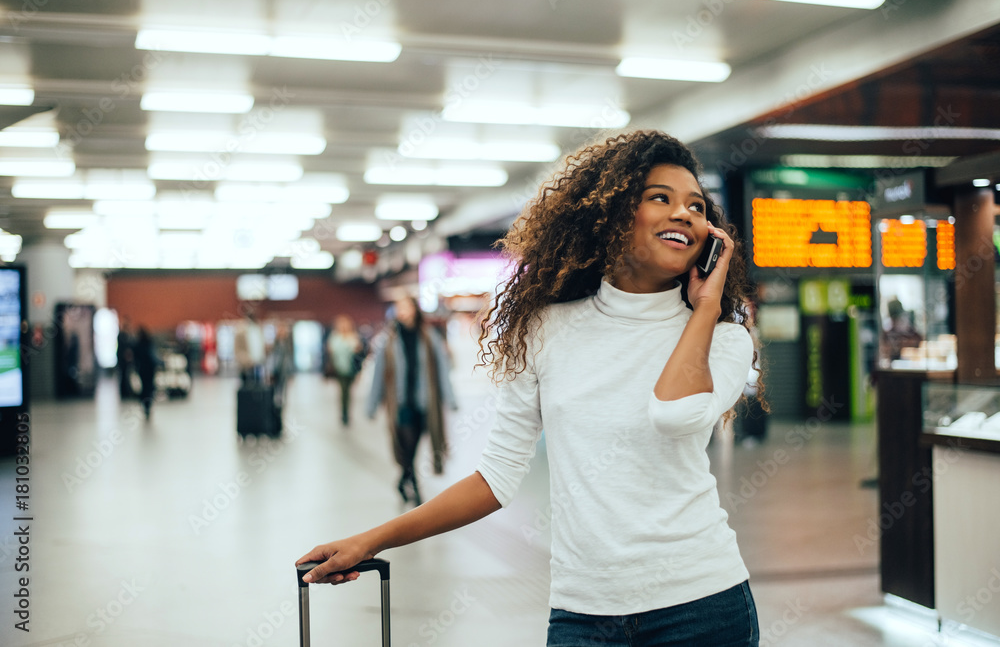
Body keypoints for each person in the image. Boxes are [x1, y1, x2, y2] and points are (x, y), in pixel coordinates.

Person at [298, 131, 762, 646]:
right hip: (584, 614)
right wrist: (371, 540)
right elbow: (494, 479)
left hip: (702, 607)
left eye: (697, 207)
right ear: (611, 214)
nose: (685, 214)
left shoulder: (722, 337)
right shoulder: (546, 330)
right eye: (661, 198)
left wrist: (704, 308)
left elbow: (674, 413)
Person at [365, 297, 456, 505]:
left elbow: (441, 369)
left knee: (412, 447)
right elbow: (379, 374)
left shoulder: (428, 337)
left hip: (424, 402)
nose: (402, 311)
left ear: (415, 310)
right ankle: (415, 488)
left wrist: (450, 398)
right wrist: (372, 404)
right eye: (398, 308)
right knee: (406, 446)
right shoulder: (388, 340)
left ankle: (402, 481)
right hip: (401, 403)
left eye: (405, 307)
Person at [326, 314, 365, 426]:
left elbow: (358, 351)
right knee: (343, 391)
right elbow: (331, 351)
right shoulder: (335, 337)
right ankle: (344, 414)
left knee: (349, 392)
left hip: (351, 369)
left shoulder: (353, 336)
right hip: (339, 369)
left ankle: (346, 412)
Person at [133, 327, 157, 420]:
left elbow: (135, 358)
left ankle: (145, 403)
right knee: (149, 387)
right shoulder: (149, 343)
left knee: (144, 387)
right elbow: (153, 356)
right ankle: (148, 403)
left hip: (142, 369)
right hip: (150, 369)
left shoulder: (137, 345)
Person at [116, 316, 135, 400]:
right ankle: (124, 392)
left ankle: (126, 391)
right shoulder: (122, 335)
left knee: (126, 375)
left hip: (126, 359)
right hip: (122, 359)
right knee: (123, 375)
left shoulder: (127, 335)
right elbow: (124, 348)